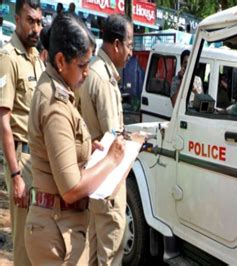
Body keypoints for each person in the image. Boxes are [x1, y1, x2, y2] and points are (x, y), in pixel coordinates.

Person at [24, 13, 125, 264]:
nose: (87, 73)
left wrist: (89, 150)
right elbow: (70, 189)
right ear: (61, 61)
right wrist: (111, 160)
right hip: (58, 232)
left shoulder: (58, 90)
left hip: (59, 227)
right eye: (82, 65)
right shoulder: (56, 105)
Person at [79, 14, 133, 266]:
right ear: (116, 44)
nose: (132, 52)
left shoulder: (92, 72)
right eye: (130, 45)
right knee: (111, 249)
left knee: (93, 249)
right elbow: (114, 139)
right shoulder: (104, 80)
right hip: (107, 180)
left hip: (92, 177)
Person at [0, 1, 43, 265]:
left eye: (39, 22)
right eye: (30, 21)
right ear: (17, 20)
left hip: (37, 160)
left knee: (37, 238)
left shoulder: (36, 57)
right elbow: (3, 122)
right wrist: (15, 176)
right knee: (23, 244)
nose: (36, 28)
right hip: (22, 161)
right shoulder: (8, 58)